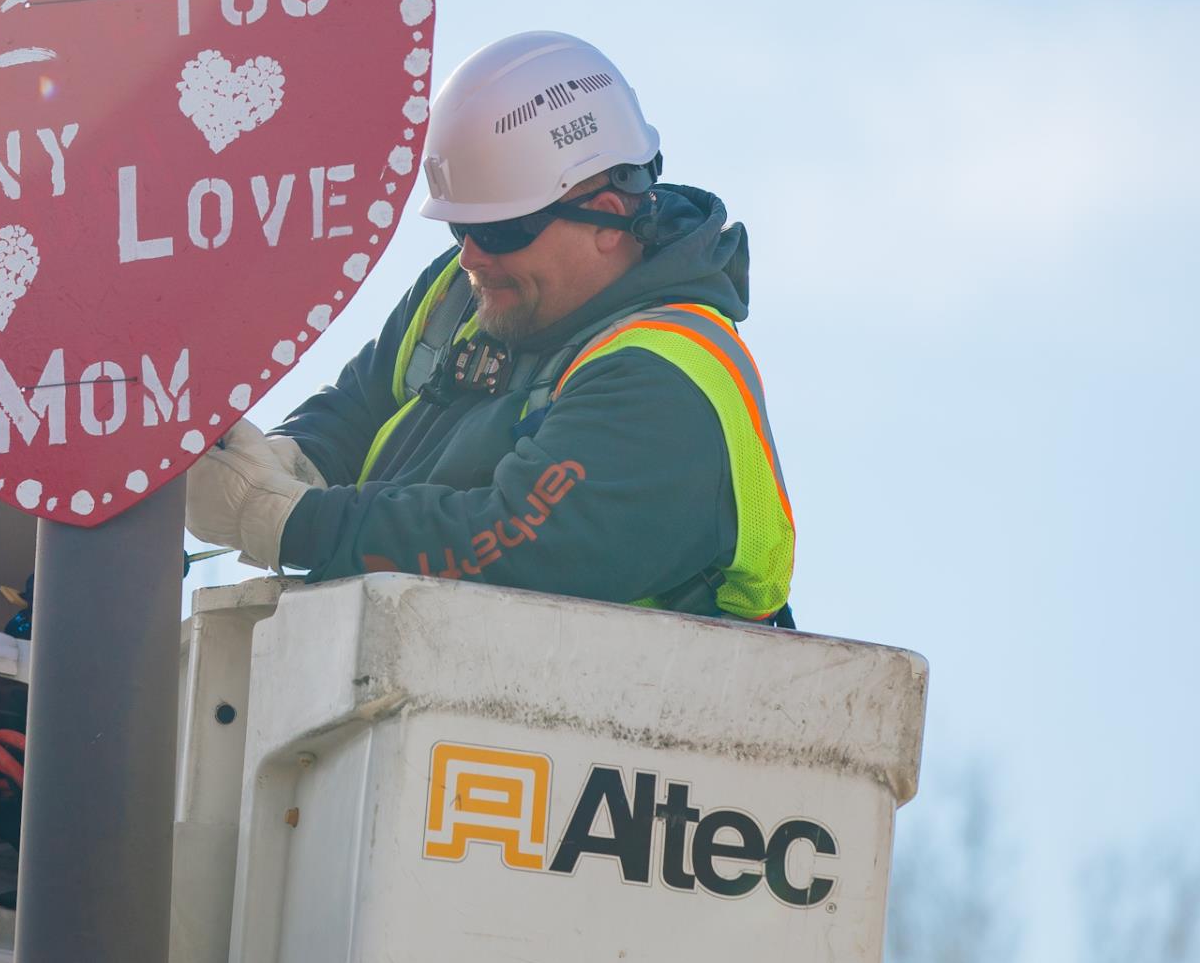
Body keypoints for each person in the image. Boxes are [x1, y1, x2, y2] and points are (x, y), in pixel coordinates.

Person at [185, 30, 794, 624]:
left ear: (607, 219)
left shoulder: (668, 376)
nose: (472, 256)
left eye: (502, 231)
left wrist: (287, 521)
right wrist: (282, 464)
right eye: (460, 228)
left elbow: (513, 544)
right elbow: (357, 411)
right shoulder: (463, 292)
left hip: (609, 716)